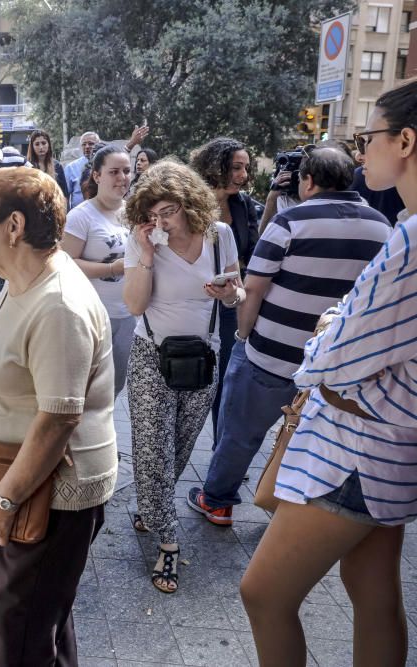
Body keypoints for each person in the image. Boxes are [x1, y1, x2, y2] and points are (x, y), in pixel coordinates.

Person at [240, 80, 417, 666]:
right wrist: (337, 325)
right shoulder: (396, 227)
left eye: (369, 138)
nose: (362, 151)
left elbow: (336, 355)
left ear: (406, 141)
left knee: (263, 592)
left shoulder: (413, 239)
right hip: (391, 443)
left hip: (356, 447)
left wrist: (321, 342)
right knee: (372, 594)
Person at [188, 147, 392, 526]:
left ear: (309, 180)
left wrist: (244, 337)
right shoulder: (382, 227)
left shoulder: (291, 221)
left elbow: (255, 287)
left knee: (240, 433)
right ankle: (285, 509)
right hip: (331, 365)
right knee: (304, 439)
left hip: (270, 355)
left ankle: (217, 501)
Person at [0, 167, 116, 665]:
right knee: (39, 616)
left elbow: (58, 421)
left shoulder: (58, 305)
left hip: (56, 493)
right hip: (31, 480)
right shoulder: (21, 279)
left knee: (15, 626)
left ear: (13, 227)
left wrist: (3, 502)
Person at [122, 160, 243, 593]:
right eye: (153, 214)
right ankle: (168, 544)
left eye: (168, 212)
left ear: (190, 204)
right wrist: (148, 256)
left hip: (202, 357)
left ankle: (151, 506)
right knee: (154, 446)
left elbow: (237, 294)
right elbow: (135, 305)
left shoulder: (219, 235)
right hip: (150, 354)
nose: (161, 222)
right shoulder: (142, 241)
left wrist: (230, 293)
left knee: (180, 446)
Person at [189, 137, 259, 442]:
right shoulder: (188, 203)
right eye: (235, 167)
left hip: (229, 301)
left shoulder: (244, 206)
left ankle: (221, 449)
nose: (243, 174)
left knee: (227, 380)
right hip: (190, 301)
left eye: (245, 167)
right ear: (214, 166)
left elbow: (253, 253)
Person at [62, 145, 135, 398]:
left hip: (127, 316)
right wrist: (112, 267)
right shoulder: (81, 216)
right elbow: (65, 264)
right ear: (97, 176)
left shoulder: (133, 212)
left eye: (127, 171)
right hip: (91, 317)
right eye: (114, 171)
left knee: (113, 388)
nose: (122, 178)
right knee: (86, 390)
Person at [26, 129, 69, 198]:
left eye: (44, 143)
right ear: (32, 147)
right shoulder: (27, 166)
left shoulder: (57, 166)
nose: (41, 147)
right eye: (37, 144)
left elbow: (64, 193)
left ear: (48, 144)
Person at [63, 132, 100, 209]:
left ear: (98, 144)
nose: (87, 147)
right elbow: (65, 195)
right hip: (77, 213)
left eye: (91, 144)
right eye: (84, 144)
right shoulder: (71, 167)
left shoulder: (105, 165)